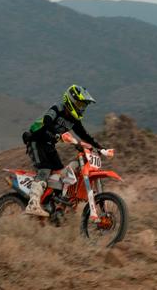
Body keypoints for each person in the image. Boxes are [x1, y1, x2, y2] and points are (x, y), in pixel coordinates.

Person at [21, 84, 106, 217]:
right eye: (80, 104)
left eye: (83, 106)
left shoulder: (74, 120)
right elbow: (47, 120)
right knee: (44, 170)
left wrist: (100, 148)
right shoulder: (58, 108)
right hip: (36, 141)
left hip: (49, 145)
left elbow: (84, 135)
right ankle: (32, 204)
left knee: (60, 176)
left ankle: (51, 206)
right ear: (71, 100)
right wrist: (57, 134)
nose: (81, 108)